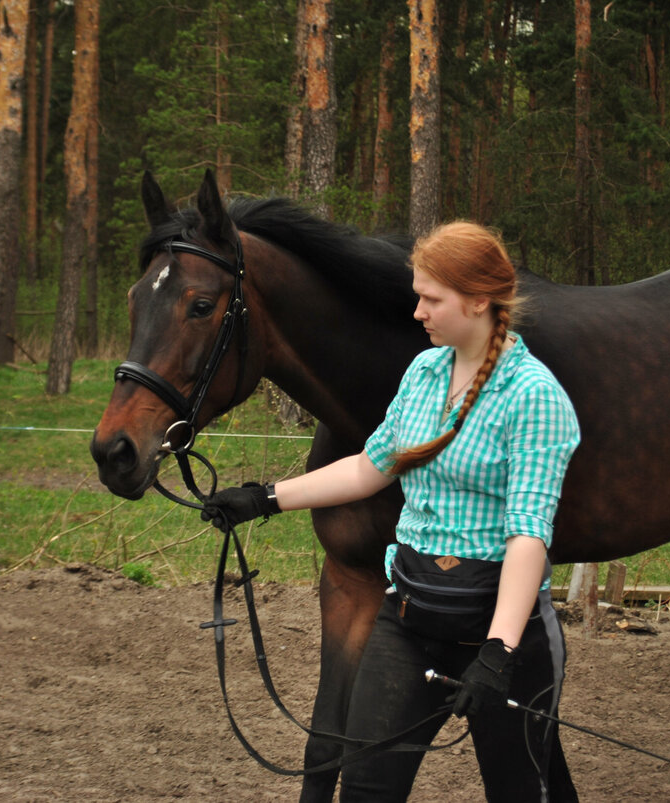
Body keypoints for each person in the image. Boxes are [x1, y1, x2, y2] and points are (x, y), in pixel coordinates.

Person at [201, 221, 581, 802]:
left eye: (432, 299)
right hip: (408, 619)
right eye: (418, 297)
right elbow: (370, 467)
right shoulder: (424, 373)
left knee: (519, 793)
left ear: (479, 300)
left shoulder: (534, 396)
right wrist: (265, 498)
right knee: (367, 789)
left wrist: (499, 651)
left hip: (501, 634)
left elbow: (528, 535)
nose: (418, 312)